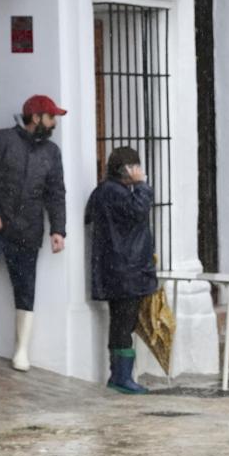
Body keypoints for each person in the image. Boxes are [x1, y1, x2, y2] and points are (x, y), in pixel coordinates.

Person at [0, 94, 67, 371]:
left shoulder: (51, 152)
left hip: (28, 230)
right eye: (51, 117)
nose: (55, 123)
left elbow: (56, 192)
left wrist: (59, 229)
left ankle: (21, 351)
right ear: (36, 118)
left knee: (25, 290)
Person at [85, 147, 157, 395]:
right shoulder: (115, 192)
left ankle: (121, 375)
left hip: (120, 268)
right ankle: (121, 377)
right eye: (136, 167)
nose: (140, 172)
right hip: (125, 270)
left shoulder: (107, 192)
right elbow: (137, 212)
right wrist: (142, 186)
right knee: (123, 324)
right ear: (127, 170)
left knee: (123, 322)